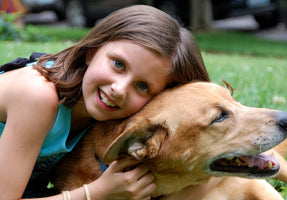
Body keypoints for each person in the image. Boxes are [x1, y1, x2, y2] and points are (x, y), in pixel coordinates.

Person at [0, 5, 209, 200]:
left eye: (142, 86)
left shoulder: (109, 117)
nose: (119, 90)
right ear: (93, 49)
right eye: (118, 64)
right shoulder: (38, 95)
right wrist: (96, 193)